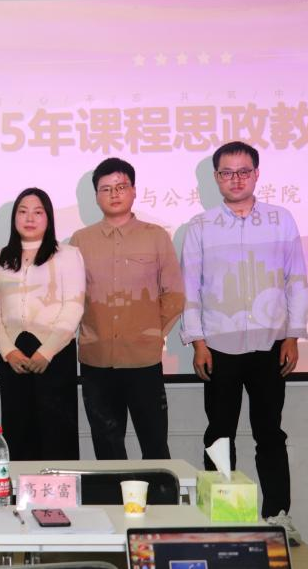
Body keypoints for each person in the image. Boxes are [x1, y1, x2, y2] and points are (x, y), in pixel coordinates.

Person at [180, 141, 308, 542]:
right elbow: (190, 289)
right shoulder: (200, 226)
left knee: (270, 432)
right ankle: (223, 517)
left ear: (256, 174)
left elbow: (296, 280)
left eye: (243, 171)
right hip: (219, 346)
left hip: (271, 344)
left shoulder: (281, 220)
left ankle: (278, 514)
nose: (235, 179)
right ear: (215, 178)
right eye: (226, 172)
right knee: (220, 433)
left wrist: (293, 335)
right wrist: (198, 342)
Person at [69, 158, 184, 461]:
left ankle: (159, 494)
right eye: (105, 189)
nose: (114, 194)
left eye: (121, 186)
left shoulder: (155, 236)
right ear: (96, 196)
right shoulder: (80, 241)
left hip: (143, 360)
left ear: (134, 190)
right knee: (107, 449)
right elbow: (71, 298)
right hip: (96, 360)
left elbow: (174, 293)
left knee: (155, 445)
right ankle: (112, 495)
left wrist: (152, 332)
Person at [0, 188, 85, 460]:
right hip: (13, 356)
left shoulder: (68, 254)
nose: (30, 218)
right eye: (23, 212)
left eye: (38, 212)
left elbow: (74, 305)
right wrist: (7, 351)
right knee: (18, 431)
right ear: (14, 218)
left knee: (57, 434)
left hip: (55, 354)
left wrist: (47, 351)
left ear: (48, 218)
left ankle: (59, 488)